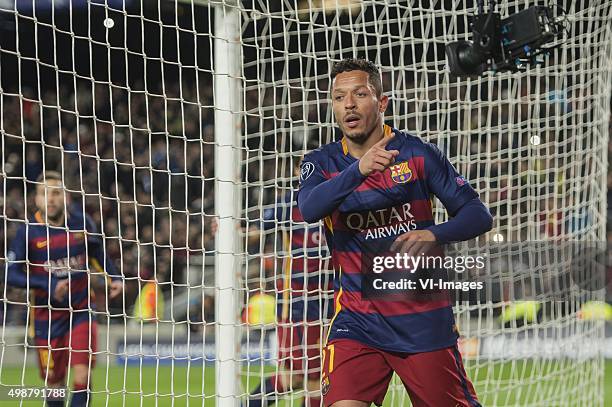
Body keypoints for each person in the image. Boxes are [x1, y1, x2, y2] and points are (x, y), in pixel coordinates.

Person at [297, 58, 493, 407]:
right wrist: (359, 169)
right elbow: (310, 209)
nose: (349, 105)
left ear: (382, 102)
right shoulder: (321, 163)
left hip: (422, 320)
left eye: (359, 94)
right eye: (339, 98)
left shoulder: (418, 154)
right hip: (358, 321)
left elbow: (478, 214)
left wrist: (435, 234)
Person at [5, 171, 123, 407]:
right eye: (44, 194)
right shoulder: (28, 232)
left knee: (83, 376)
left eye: (56, 193)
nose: (51, 199)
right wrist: (47, 285)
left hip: (81, 309)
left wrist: (115, 276)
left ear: (65, 197)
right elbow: (10, 274)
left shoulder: (82, 223)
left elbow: (97, 253)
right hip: (46, 318)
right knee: (54, 385)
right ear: (36, 199)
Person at [248, 160, 334, 407]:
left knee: (306, 377)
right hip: (298, 303)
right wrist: (233, 229)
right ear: (298, 171)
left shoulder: (338, 201)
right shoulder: (289, 204)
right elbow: (254, 232)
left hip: (331, 301)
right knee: (306, 377)